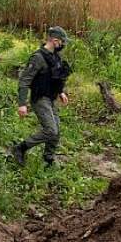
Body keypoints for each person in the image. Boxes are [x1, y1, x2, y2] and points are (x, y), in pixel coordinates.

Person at [11, 27, 72, 167]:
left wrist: (61, 92)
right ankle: (20, 148)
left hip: (51, 98)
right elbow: (24, 81)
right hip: (40, 99)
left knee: (56, 131)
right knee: (51, 130)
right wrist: (22, 104)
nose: (63, 45)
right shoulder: (38, 58)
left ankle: (48, 158)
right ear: (55, 41)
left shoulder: (55, 57)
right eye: (62, 42)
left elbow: (56, 76)